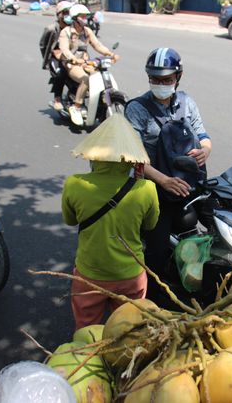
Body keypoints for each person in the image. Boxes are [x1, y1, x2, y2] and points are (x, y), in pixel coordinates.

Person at [124, 47, 212, 301]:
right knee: (157, 251)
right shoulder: (137, 109)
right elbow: (133, 158)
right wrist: (163, 180)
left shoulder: (187, 102)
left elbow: (203, 135)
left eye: (167, 80)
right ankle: (153, 300)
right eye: (155, 79)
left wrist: (205, 150)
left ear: (178, 77)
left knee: (215, 224)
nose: (161, 84)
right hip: (154, 188)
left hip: (188, 182)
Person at [62, 113, 159, 330]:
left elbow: (70, 220)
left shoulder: (74, 184)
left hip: (90, 272)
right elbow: (150, 226)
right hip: (130, 274)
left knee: (86, 330)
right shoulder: (147, 189)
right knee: (128, 331)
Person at [58, 4, 119, 125]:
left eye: (86, 16)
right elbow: (64, 49)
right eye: (82, 16)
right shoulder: (66, 32)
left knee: (99, 78)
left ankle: (99, 104)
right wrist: (74, 58)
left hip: (86, 62)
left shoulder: (87, 31)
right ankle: (76, 106)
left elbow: (97, 45)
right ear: (75, 18)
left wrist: (110, 54)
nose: (85, 18)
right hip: (72, 64)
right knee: (86, 79)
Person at [39, 1, 73, 111]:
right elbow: (43, 45)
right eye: (65, 12)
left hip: (71, 55)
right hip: (55, 58)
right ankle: (57, 99)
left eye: (69, 12)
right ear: (59, 14)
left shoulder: (73, 28)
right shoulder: (51, 29)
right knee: (60, 73)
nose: (68, 15)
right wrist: (49, 57)